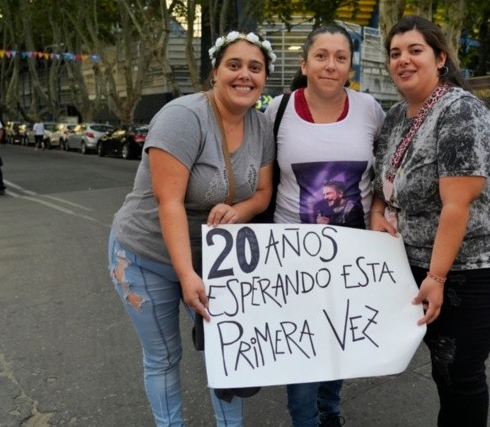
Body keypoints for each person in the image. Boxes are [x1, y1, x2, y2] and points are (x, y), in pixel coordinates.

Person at [107, 30, 276, 426]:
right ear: (215, 72)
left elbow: (263, 192)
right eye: (234, 65)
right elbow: (169, 202)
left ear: (265, 77)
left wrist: (240, 210)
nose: (245, 75)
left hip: (214, 261)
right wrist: (186, 275)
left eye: (255, 68)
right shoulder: (183, 117)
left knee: (226, 352)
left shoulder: (261, 126)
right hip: (146, 255)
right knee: (164, 357)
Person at [371, 16, 490, 426]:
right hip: (419, 262)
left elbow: (456, 204)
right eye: (395, 53)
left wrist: (437, 276)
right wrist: (375, 213)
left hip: (478, 267)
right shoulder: (396, 116)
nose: (403, 60)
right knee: (444, 369)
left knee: (460, 372)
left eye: (415, 50)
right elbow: (382, 180)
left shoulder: (461, 110)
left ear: (440, 58)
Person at [264, 22, 385, 427]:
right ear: (304, 64)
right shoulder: (277, 110)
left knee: (337, 338)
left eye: (340, 57)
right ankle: (306, 419)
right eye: (321, 56)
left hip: (354, 259)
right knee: (302, 348)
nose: (331, 65)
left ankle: (330, 411)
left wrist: (379, 213)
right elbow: (260, 176)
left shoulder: (370, 110)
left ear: (350, 66)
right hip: (291, 258)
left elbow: (387, 175)